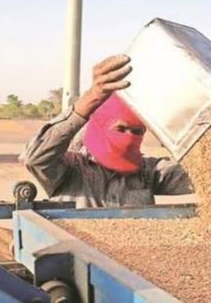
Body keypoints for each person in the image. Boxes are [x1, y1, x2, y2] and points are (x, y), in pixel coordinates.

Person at [20, 54, 193, 208]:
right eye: (121, 128)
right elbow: (35, 158)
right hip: (76, 245)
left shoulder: (147, 172)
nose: (128, 137)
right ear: (100, 126)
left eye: (137, 132)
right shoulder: (72, 169)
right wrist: (93, 96)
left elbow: (205, 176)